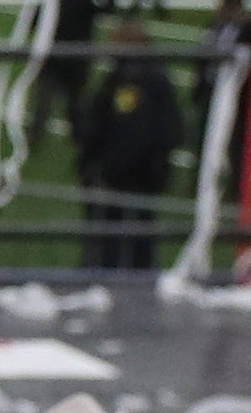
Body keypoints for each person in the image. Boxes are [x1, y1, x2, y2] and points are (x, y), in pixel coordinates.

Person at [68, 17, 192, 273]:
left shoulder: (135, 81)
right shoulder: (140, 77)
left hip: (129, 179)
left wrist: (106, 172)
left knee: (118, 243)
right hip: (139, 175)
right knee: (134, 239)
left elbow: (131, 132)